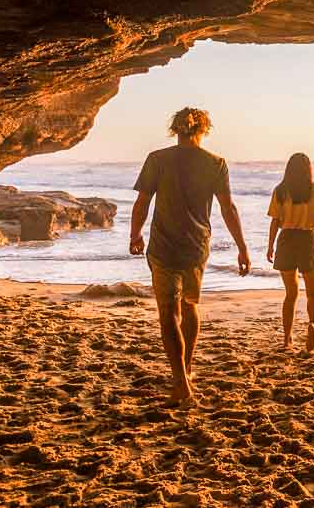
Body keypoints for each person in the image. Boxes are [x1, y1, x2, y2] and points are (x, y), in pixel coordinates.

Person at [129, 107, 250, 407]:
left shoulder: (158, 159)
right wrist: (242, 247)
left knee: (168, 310)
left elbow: (142, 202)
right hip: (196, 246)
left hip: (163, 246)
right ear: (203, 130)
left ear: (175, 130)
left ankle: (180, 380)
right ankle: (188, 369)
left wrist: (135, 234)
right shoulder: (215, 163)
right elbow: (228, 209)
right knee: (190, 305)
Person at [266, 153, 314, 353]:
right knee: (313, 292)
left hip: (286, 240)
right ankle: (312, 323)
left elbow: (275, 221)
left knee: (290, 294)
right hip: (308, 239)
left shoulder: (281, 190)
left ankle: (287, 338)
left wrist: (270, 246)